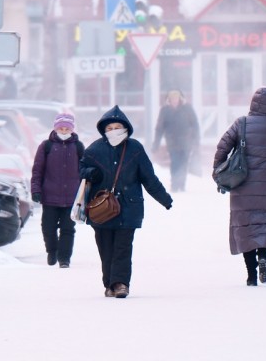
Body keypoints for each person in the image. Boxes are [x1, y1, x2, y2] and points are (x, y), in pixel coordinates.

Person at [80, 105, 173, 298]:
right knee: (106, 248)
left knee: (123, 247)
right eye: (110, 128)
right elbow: (79, 171)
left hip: (128, 208)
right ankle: (109, 284)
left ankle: (121, 283)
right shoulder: (94, 149)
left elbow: (149, 178)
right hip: (101, 209)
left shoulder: (135, 149)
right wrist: (91, 173)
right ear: (104, 130)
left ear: (126, 128)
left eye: (117, 127)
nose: (114, 131)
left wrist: (164, 198)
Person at [213, 87, 266, 287]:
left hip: (243, 184)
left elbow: (223, 146)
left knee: (246, 227)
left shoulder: (241, 123)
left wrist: (217, 170)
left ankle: (251, 275)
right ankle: (264, 259)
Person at [31, 113, 84, 268]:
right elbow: (37, 170)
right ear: (55, 128)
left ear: (72, 129)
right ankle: (52, 250)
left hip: (71, 197)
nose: (63, 130)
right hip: (49, 196)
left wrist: (83, 195)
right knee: (48, 227)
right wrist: (36, 189)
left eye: (67, 127)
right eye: (60, 127)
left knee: (68, 229)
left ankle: (64, 258)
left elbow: (84, 171)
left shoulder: (78, 147)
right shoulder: (46, 146)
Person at [152, 89, 200, 192]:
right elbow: (159, 128)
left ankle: (181, 185)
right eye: (172, 98)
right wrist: (156, 144)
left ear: (180, 98)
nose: (174, 100)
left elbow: (195, 125)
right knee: (175, 163)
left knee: (184, 163)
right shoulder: (165, 110)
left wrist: (196, 141)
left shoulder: (187, 109)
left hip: (186, 142)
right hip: (172, 143)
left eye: (176, 98)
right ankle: (174, 185)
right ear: (169, 99)